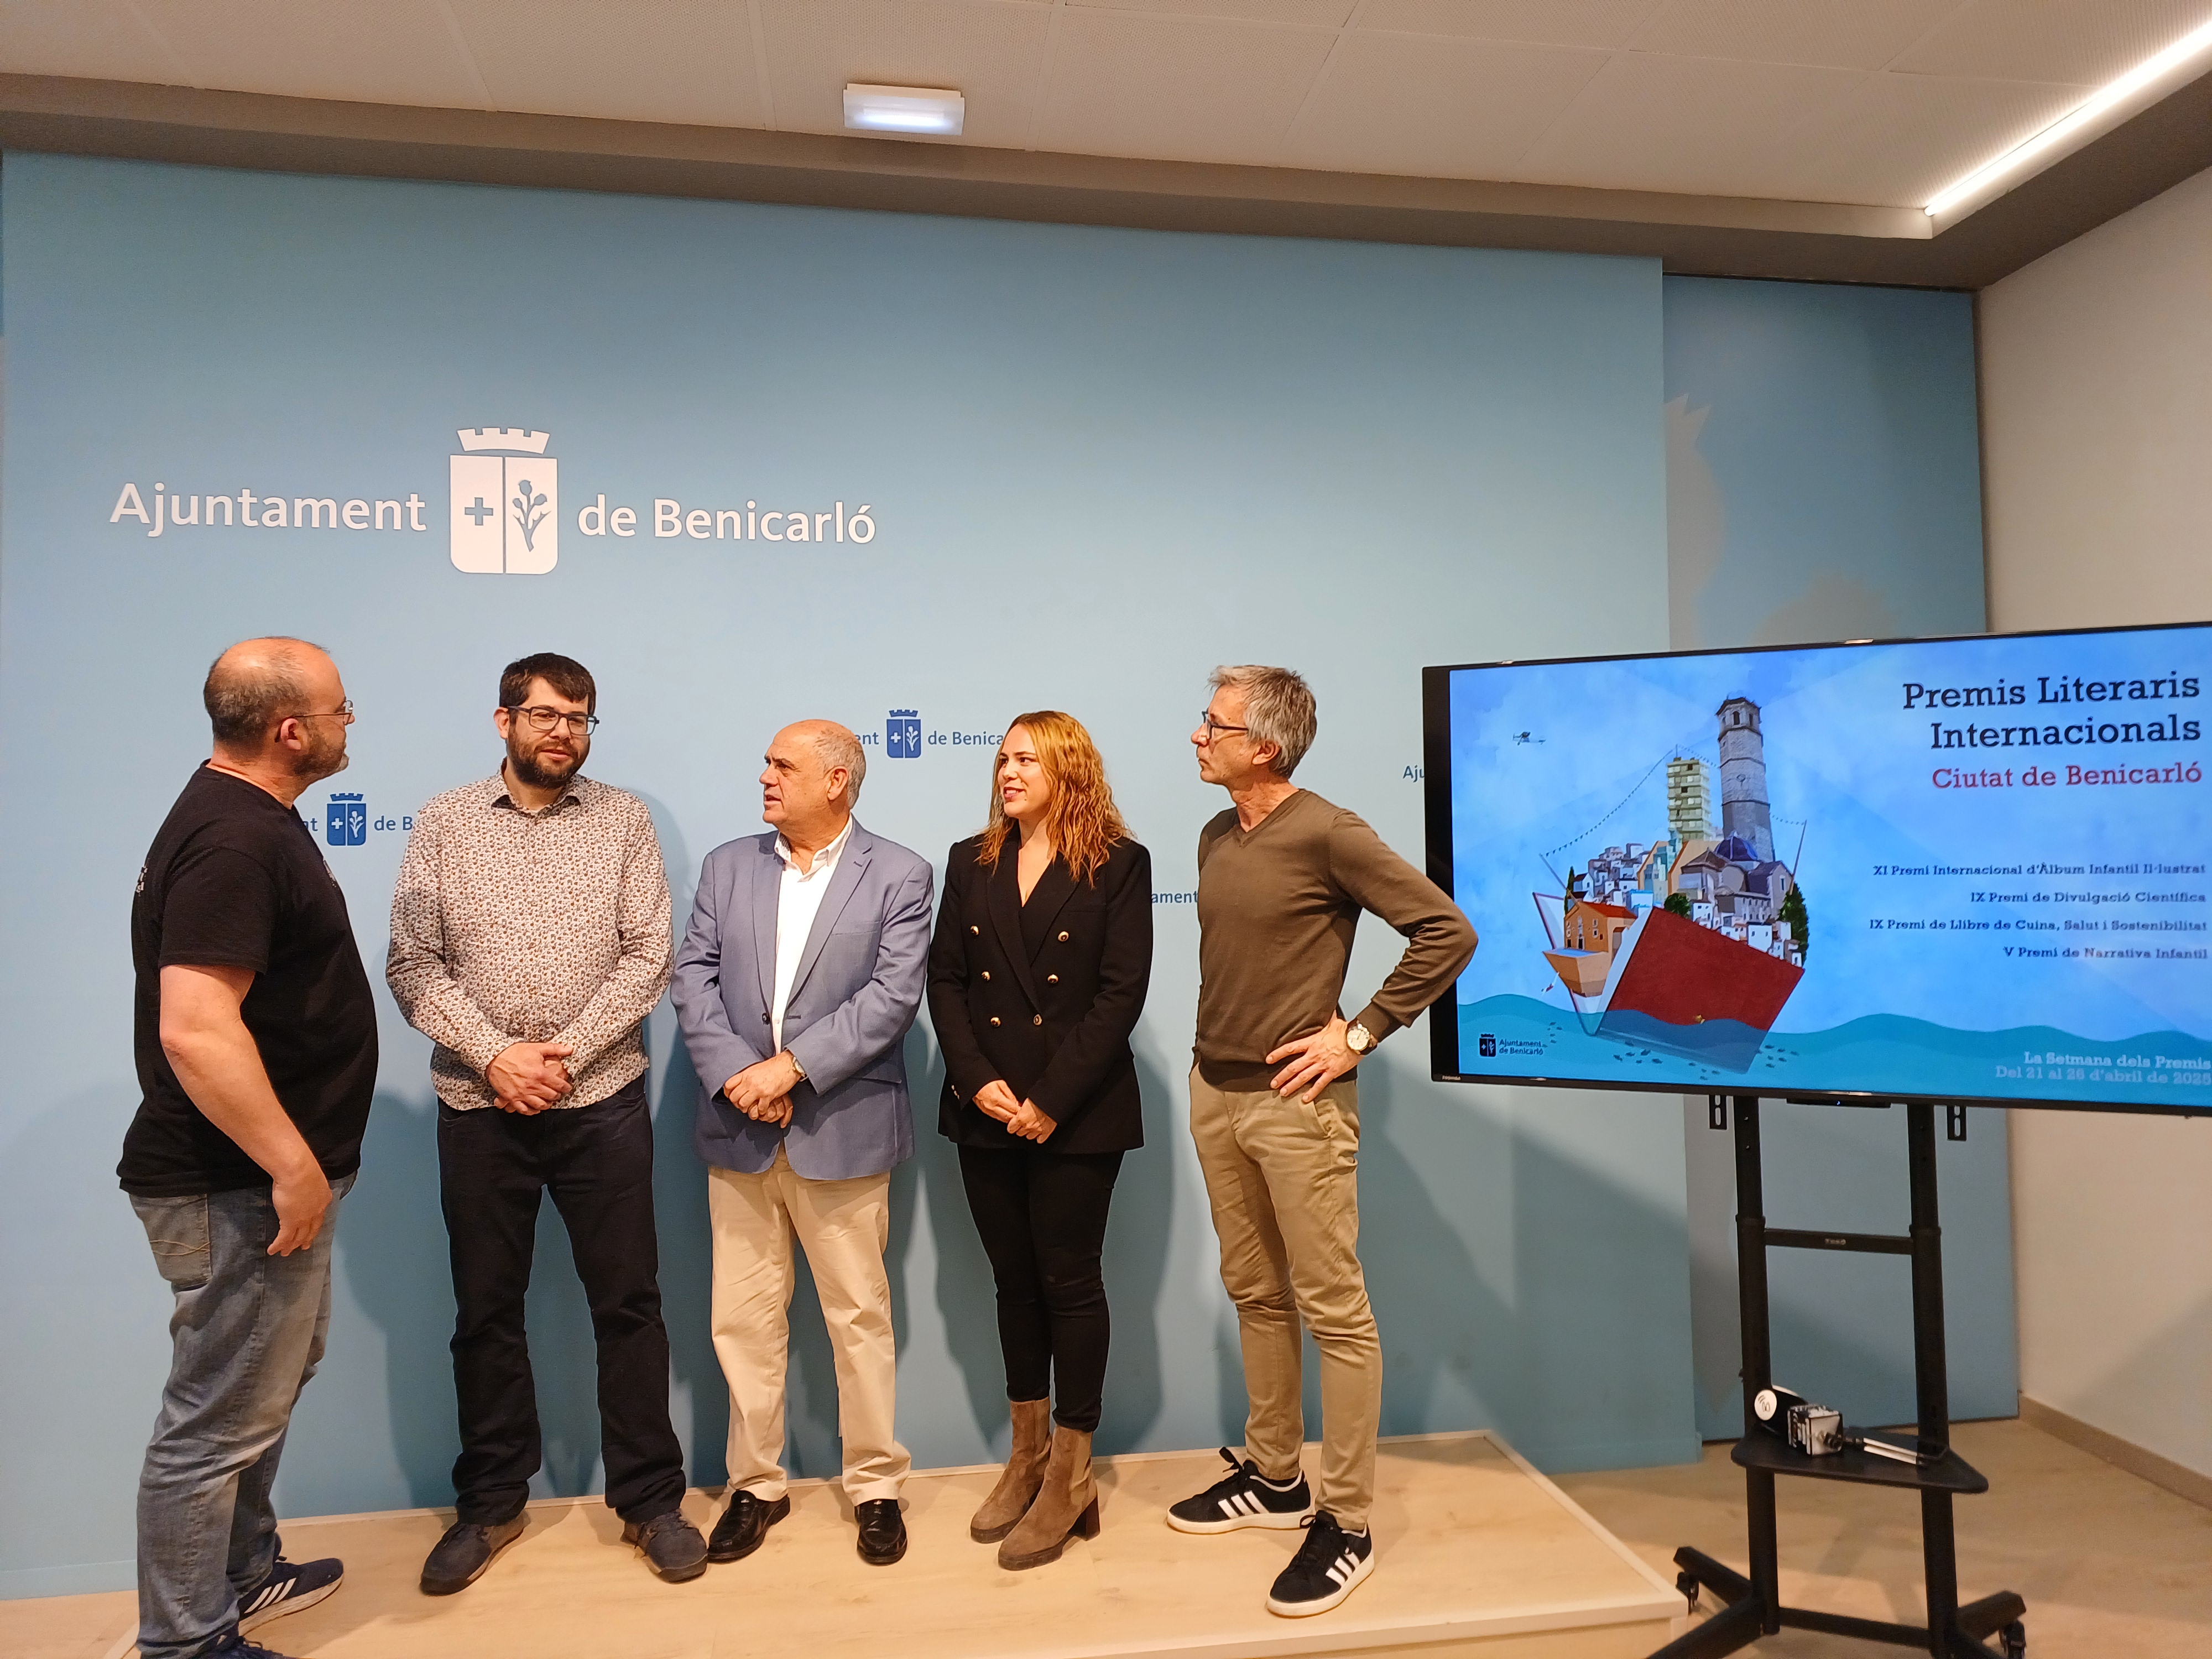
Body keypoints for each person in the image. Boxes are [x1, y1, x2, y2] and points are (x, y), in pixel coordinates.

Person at [385, 653, 705, 1592]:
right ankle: (491, 1504)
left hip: (601, 1102)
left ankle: (650, 1501)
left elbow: (649, 956)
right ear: (505, 722)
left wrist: (560, 1057)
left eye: (579, 718)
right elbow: (412, 962)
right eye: (545, 715)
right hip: (478, 1105)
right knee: (485, 1312)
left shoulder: (622, 820)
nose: (563, 732)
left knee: (629, 1305)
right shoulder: (445, 822)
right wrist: (496, 1056)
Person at [1168, 665, 1477, 1618]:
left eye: (1214, 725)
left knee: (1334, 1311)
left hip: (1297, 1108)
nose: (1197, 736)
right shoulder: (1217, 834)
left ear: (1265, 747)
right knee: (1256, 1292)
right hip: (1215, 1092)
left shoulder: (1331, 832)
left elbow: (1446, 932)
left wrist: (1359, 1034)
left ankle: (1347, 1521)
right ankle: (1275, 1477)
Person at [119, 638, 375, 1659]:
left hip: (258, 1181)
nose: (350, 724)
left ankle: (243, 1572)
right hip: (239, 1184)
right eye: (342, 710)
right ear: (291, 730)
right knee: (216, 1418)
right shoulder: (233, 840)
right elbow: (194, 1028)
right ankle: (186, 1640)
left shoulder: (246, 820)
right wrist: (291, 1166)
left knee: (266, 1382)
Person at [671, 721, 933, 1568]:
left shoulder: (900, 873)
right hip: (739, 1128)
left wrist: (790, 1070)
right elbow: (692, 980)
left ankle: (875, 1487)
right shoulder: (727, 866)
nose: (766, 776)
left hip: (842, 1128)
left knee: (859, 1318)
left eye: (783, 765)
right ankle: (756, 1485)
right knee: (742, 1320)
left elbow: (891, 998)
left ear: (837, 781)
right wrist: (739, 1078)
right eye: (767, 764)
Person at [926, 712, 1153, 1571]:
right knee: (1013, 1285)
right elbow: (946, 980)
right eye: (1002, 758)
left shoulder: (1120, 864)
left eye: (1026, 759)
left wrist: (1050, 1100)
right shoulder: (971, 860)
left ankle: (1071, 1474)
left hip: (1077, 1112)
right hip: (985, 1107)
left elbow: (1120, 994)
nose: (1007, 772)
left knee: (1069, 1283)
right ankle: (1026, 1458)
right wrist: (976, 1079)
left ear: (1068, 769)